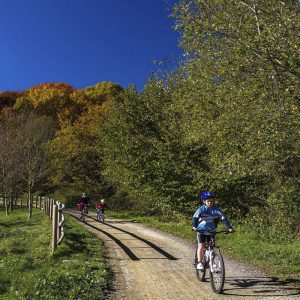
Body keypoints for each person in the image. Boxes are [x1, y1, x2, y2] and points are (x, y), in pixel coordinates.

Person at [192, 191, 234, 270]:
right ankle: (200, 262)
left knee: (211, 246)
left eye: (211, 201)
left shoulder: (216, 210)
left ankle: (211, 262)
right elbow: (195, 218)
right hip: (201, 230)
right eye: (208, 201)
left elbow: (223, 218)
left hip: (212, 230)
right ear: (204, 201)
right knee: (201, 245)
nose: (210, 203)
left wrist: (229, 228)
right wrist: (194, 226)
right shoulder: (201, 209)